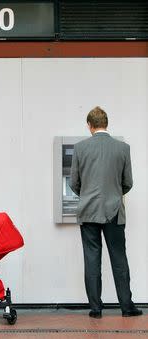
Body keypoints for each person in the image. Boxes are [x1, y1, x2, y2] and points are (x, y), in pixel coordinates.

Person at [69, 106, 142, 319]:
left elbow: (74, 182)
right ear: (106, 124)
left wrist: (87, 195)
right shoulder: (123, 148)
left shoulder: (80, 148)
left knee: (92, 259)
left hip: (89, 212)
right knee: (119, 258)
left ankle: (96, 309)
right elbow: (127, 182)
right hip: (114, 212)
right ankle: (127, 308)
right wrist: (115, 194)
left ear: (90, 125)